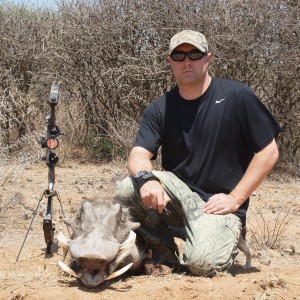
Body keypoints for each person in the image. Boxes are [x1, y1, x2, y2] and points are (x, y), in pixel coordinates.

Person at [116, 30, 281, 276]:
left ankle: (219, 238)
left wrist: (236, 198)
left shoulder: (237, 96)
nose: (187, 61)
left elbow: (269, 152)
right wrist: (146, 179)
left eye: (194, 54)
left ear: (208, 59)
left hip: (219, 204)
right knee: (128, 188)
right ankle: (163, 254)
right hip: (177, 199)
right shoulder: (159, 108)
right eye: (179, 55)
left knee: (202, 265)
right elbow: (138, 154)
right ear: (170, 61)